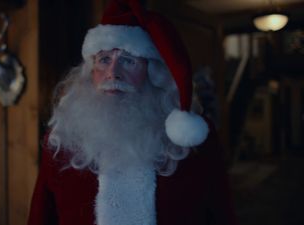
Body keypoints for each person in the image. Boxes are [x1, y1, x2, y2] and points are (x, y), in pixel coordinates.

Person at [28, 0, 237, 225]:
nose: (113, 73)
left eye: (128, 61)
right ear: (90, 71)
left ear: (152, 72)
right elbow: (42, 215)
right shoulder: (63, 136)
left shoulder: (193, 141)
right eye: (104, 60)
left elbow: (220, 213)